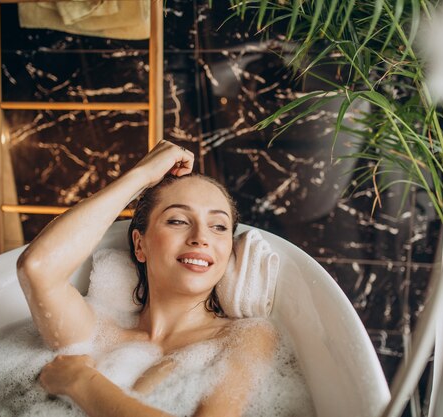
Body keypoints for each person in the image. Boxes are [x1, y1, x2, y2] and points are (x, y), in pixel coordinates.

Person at [16, 140, 277, 417]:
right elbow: (37, 267)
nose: (201, 237)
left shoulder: (242, 336)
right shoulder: (100, 335)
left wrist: (81, 381)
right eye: (178, 220)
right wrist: (140, 175)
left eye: (219, 226)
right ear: (140, 245)